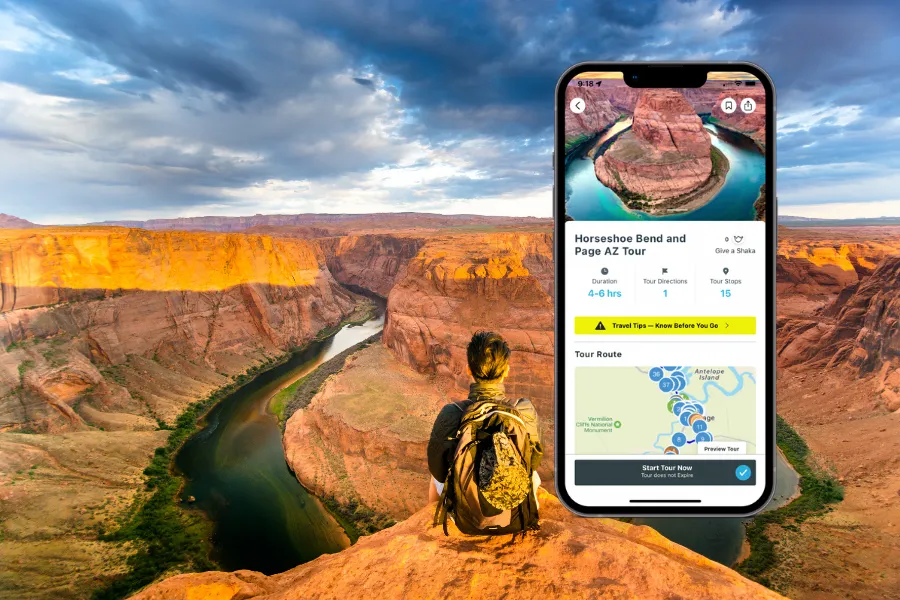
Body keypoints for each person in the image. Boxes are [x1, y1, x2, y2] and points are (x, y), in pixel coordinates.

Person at [427, 331, 542, 508]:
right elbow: (534, 459)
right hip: (513, 502)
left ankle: (435, 518)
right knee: (534, 476)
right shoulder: (524, 409)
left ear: (469, 369)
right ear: (507, 371)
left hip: (466, 507)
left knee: (433, 478)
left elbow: (438, 469)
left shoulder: (452, 412)